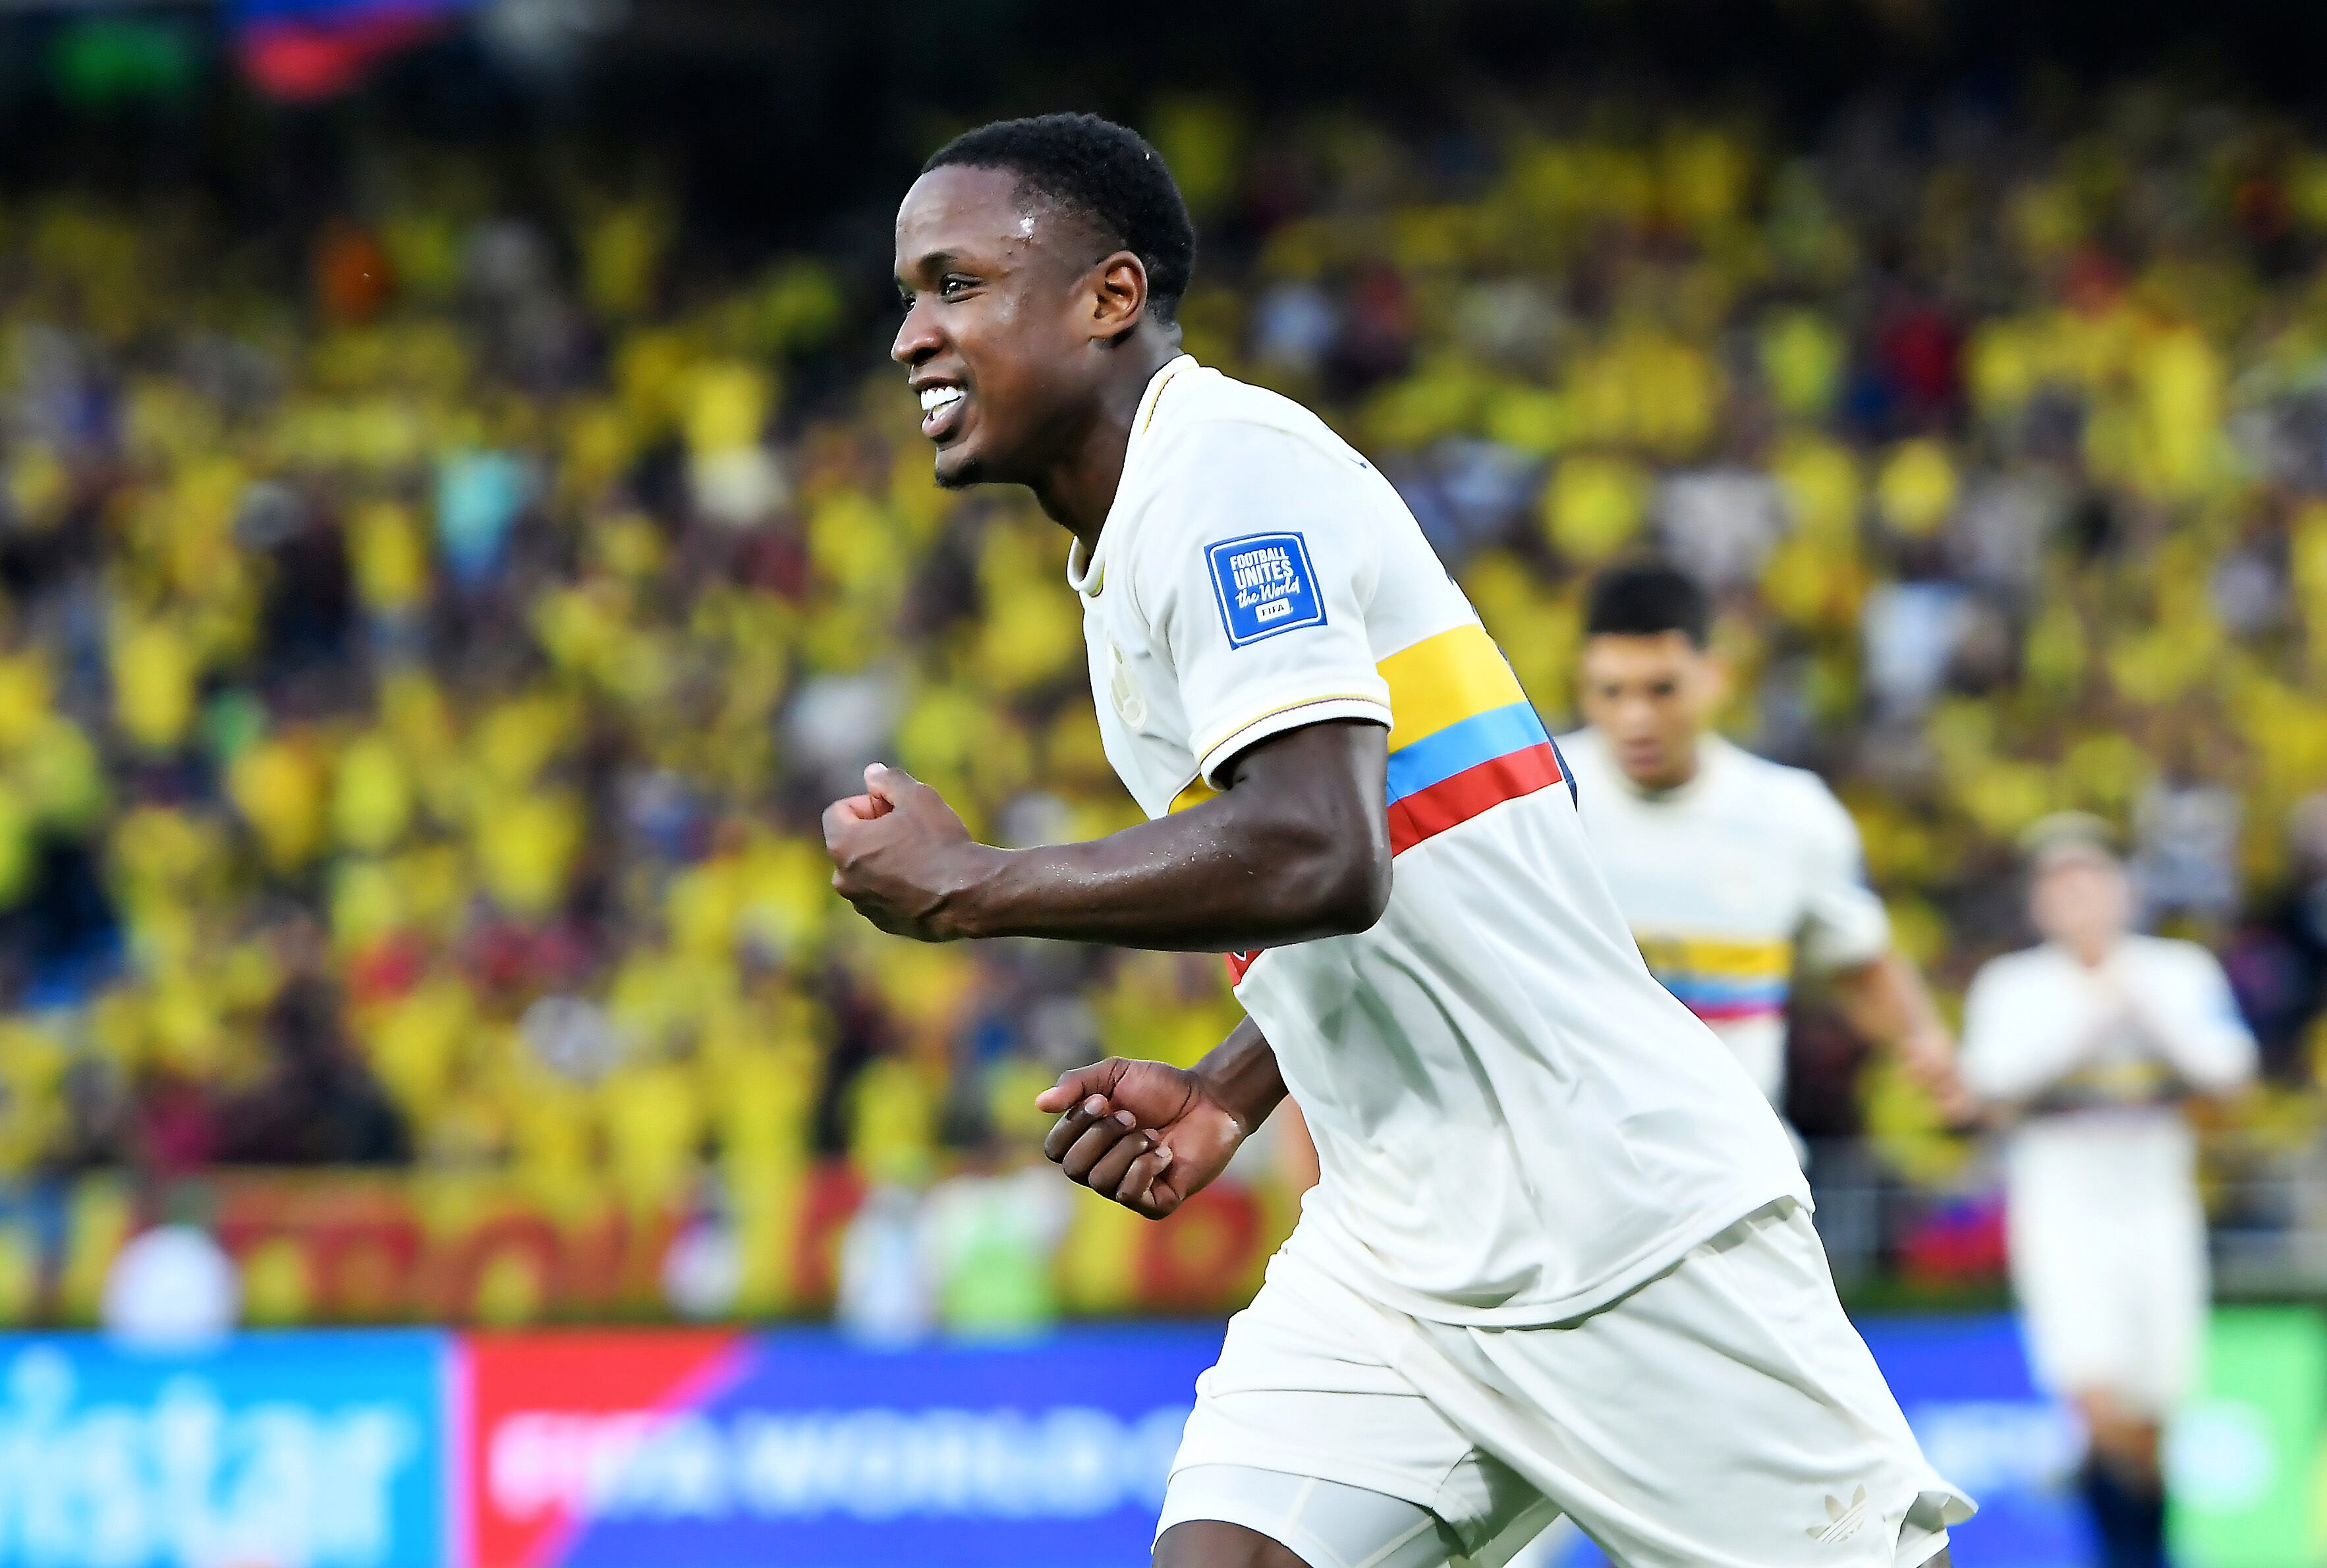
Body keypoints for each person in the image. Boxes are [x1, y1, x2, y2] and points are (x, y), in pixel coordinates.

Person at [824, 112, 1972, 1568]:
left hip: (1614, 1218)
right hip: (1397, 1242)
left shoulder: (1224, 476)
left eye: (956, 285)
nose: (911, 337)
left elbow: (1322, 849)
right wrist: (1239, 1082)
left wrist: (973, 887)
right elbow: (1416, 857)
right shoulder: (1126, 540)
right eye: (909, 297)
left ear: (1109, 298)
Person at [1559, 562, 1965, 1124]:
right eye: (1612, 692)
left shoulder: (1790, 815)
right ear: (1582, 683)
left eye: (1662, 690)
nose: (1636, 719)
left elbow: (1859, 965)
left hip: (1738, 1169)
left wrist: (1926, 1044)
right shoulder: (1539, 802)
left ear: (1715, 677)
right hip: (1579, 1162)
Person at [1959, 816, 2256, 1568]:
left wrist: (2141, 1010)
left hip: (2158, 1208)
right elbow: (1987, 1088)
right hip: (2062, 1213)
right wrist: (2086, 1023)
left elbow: (2230, 1072)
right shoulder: (2013, 985)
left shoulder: (2177, 971)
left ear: (2123, 889)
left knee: (2153, 1413)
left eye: (2090, 878)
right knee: (2093, 1398)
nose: (2077, 898)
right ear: (2038, 901)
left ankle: (2148, 1548)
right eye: (2058, 883)